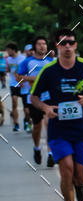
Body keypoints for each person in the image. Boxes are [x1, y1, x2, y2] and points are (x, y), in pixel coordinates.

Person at [30, 28, 83, 201]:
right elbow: (34, 96)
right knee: (66, 169)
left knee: (82, 175)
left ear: (75, 45)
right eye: (63, 43)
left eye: (70, 42)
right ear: (57, 46)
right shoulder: (49, 71)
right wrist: (45, 108)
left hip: (82, 128)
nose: (67, 46)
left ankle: (79, 185)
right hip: (58, 128)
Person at [17, 36, 55, 166]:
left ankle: (51, 154)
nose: (42, 46)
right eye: (39, 44)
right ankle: (37, 148)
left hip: (49, 97)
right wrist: (34, 78)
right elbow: (18, 78)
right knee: (37, 127)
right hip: (33, 98)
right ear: (34, 47)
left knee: (49, 124)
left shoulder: (52, 62)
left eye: (44, 44)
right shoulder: (27, 62)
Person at [6, 44, 23, 131]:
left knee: (27, 108)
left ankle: (27, 120)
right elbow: (8, 69)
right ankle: (16, 124)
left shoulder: (22, 58)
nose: (7, 52)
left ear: (14, 50)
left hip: (23, 84)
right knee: (14, 102)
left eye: (8, 50)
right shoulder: (8, 59)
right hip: (13, 84)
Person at [18, 44, 34, 132]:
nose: (31, 52)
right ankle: (27, 122)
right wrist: (20, 82)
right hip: (25, 90)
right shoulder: (23, 62)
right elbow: (17, 76)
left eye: (32, 50)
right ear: (25, 51)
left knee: (35, 111)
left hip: (34, 90)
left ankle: (34, 124)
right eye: (29, 50)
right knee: (27, 111)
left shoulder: (37, 61)